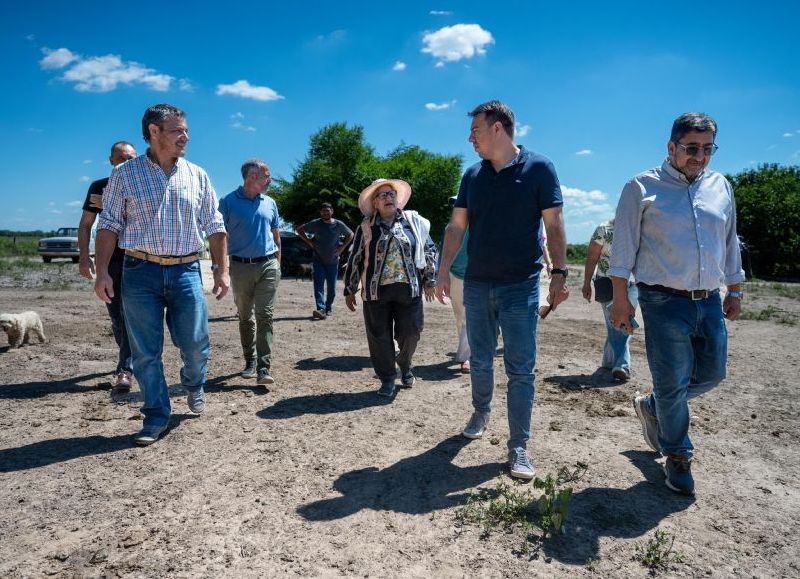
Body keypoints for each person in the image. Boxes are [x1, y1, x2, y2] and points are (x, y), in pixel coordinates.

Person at [609, 112, 745, 496]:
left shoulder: (721, 186)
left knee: (713, 374)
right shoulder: (641, 187)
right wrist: (621, 300)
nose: (699, 157)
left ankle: (654, 406)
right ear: (671, 147)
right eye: (691, 148)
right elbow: (622, 250)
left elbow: (730, 240)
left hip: (709, 299)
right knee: (672, 381)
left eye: (707, 149)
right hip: (662, 300)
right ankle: (678, 454)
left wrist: (734, 289)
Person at [436, 100, 569, 480]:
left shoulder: (539, 168)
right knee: (479, 359)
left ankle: (518, 447)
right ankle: (481, 410)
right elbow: (456, 227)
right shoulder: (472, 176)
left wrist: (559, 273)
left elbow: (555, 223)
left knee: (520, 369)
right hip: (476, 283)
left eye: (475, 130)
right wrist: (443, 269)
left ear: (498, 128)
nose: (470, 138)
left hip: (520, 286)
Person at [95, 103, 229, 446]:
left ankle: (193, 382)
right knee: (145, 352)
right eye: (177, 130)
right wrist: (102, 273)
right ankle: (156, 415)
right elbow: (108, 225)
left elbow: (215, 226)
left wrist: (221, 269)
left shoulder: (197, 174)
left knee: (196, 344)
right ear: (154, 133)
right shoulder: (124, 175)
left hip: (185, 270)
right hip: (139, 271)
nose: (185, 136)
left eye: (185, 130)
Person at [343, 179, 436, 398]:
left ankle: (404, 364)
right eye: (382, 195)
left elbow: (428, 249)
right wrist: (350, 288)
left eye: (391, 194)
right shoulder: (366, 227)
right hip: (376, 294)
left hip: (409, 290)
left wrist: (430, 279)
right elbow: (355, 257)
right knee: (379, 338)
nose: (388, 198)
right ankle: (387, 379)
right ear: (374, 202)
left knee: (411, 332)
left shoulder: (413, 222)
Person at [77, 141, 137, 392]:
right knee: (116, 316)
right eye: (121, 158)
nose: (126, 162)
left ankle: (126, 368)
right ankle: (129, 358)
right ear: (111, 160)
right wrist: (83, 256)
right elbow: (86, 224)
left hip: (139, 257)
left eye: (131, 158)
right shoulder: (100, 187)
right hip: (111, 260)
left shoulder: (142, 185)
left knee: (131, 316)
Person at [219, 160, 282, 386]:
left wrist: (278, 263)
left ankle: (264, 368)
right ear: (252, 176)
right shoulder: (227, 202)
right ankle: (250, 361)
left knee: (265, 314)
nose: (270, 180)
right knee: (246, 317)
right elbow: (220, 237)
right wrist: (221, 268)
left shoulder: (270, 203)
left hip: (268, 265)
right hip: (241, 267)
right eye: (267, 176)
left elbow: (276, 235)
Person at [581, 218, 638, 381]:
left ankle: (608, 362)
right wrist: (586, 283)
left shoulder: (639, 229)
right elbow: (592, 257)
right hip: (607, 284)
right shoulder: (603, 229)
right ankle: (622, 365)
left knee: (620, 324)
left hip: (633, 284)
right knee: (617, 324)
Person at [297, 202, 354, 319]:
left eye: (327, 211)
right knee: (318, 285)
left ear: (331, 211)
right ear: (320, 212)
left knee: (332, 288)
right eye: (323, 211)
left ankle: (328, 307)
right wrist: (309, 242)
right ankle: (320, 309)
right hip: (318, 260)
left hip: (333, 261)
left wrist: (342, 248)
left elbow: (351, 234)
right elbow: (299, 230)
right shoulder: (316, 223)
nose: (325, 213)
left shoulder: (338, 224)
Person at [438, 196, 470, 374]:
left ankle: (467, 357)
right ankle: (468, 351)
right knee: (460, 317)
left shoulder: (481, 225)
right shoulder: (449, 228)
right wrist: (441, 276)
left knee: (470, 318)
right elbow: (442, 253)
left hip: (477, 277)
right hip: (455, 275)